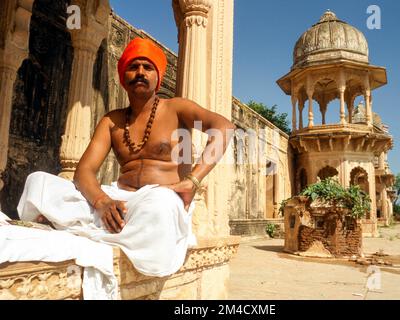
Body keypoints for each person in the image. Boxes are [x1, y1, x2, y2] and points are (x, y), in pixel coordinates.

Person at [17, 37, 236, 277]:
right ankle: (110, 229)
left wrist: (193, 180)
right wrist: (102, 202)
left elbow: (224, 128)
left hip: (158, 199)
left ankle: (88, 230)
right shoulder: (112, 121)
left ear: (157, 76)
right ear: (123, 77)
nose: (140, 72)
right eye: (133, 67)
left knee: (159, 210)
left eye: (147, 67)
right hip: (116, 201)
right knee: (38, 182)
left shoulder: (177, 108)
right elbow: (84, 172)